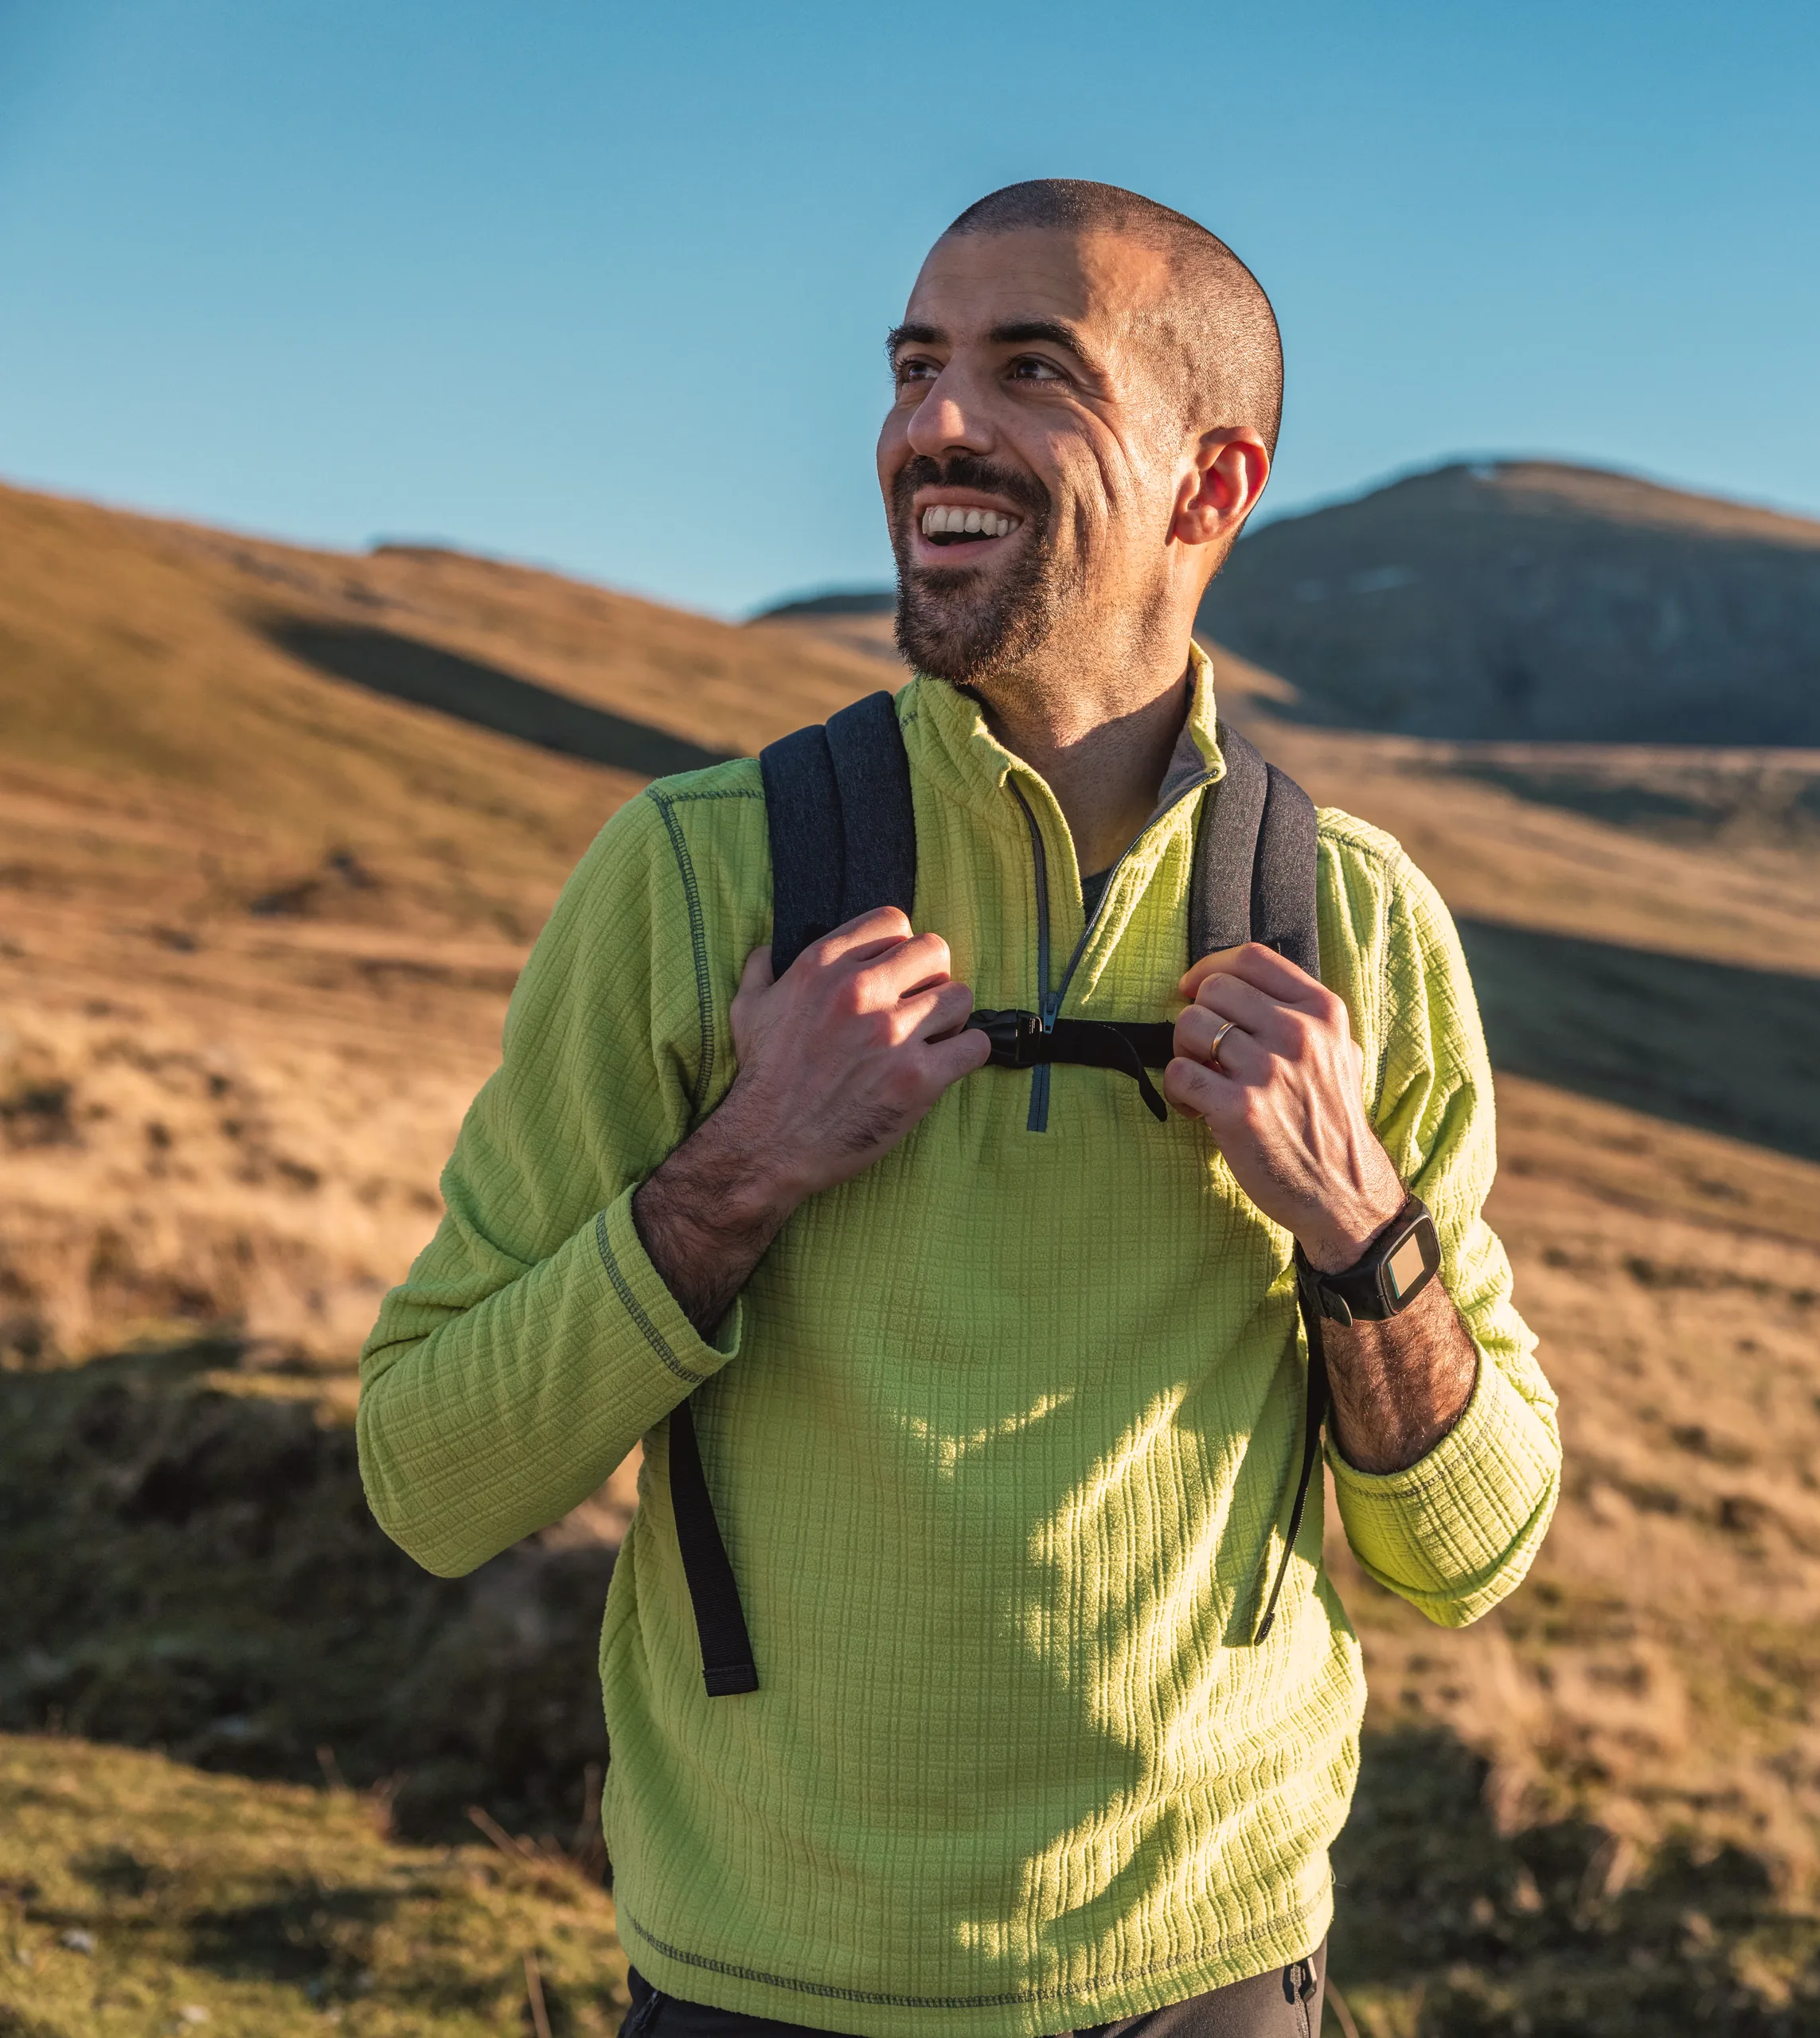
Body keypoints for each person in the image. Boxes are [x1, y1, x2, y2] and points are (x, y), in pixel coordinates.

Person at [358, 179, 1560, 2038]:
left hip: (1211, 1973)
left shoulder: (1359, 924)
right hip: (762, 1983)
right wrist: (742, 1167)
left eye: (1027, 368)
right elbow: (433, 1478)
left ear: (1210, 485)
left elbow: (1465, 1552)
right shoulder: (696, 874)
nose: (930, 423)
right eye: (915, 366)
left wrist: (1357, 1229)